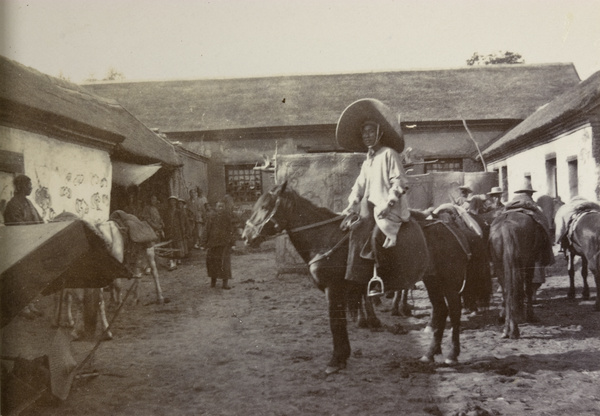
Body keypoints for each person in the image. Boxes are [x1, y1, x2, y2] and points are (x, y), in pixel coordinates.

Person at [337, 98, 409, 283]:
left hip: (387, 210)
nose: (367, 136)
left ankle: (385, 278)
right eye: (364, 133)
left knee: (377, 238)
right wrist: (352, 201)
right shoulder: (368, 160)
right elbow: (359, 185)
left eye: (371, 132)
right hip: (367, 209)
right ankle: (355, 278)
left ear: (379, 133)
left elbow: (399, 182)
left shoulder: (389, 154)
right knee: (351, 232)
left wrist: (389, 203)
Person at [4, 174, 45, 319]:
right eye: (29, 185)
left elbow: (39, 221)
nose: (31, 187)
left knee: (31, 278)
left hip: (32, 246)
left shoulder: (29, 203)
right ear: (21, 186)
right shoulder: (13, 205)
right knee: (21, 278)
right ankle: (22, 307)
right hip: (19, 248)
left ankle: (30, 304)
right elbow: (17, 227)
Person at [202, 201, 236, 289]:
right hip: (213, 243)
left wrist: (232, 243)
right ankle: (213, 281)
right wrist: (203, 242)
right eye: (218, 207)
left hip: (224, 244)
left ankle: (225, 283)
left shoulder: (227, 218)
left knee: (225, 263)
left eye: (222, 207)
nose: (220, 208)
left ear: (224, 208)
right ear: (216, 208)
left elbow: (231, 231)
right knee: (212, 262)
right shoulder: (211, 217)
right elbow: (206, 229)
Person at [164, 196, 185, 270]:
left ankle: (177, 259)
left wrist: (183, 231)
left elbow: (181, 222)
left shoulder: (178, 211)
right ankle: (172, 260)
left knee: (177, 244)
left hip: (177, 230)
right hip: (169, 231)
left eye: (174, 201)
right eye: (171, 201)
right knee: (170, 244)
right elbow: (165, 221)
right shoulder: (167, 211)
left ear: (176, 202)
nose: (172, 202)